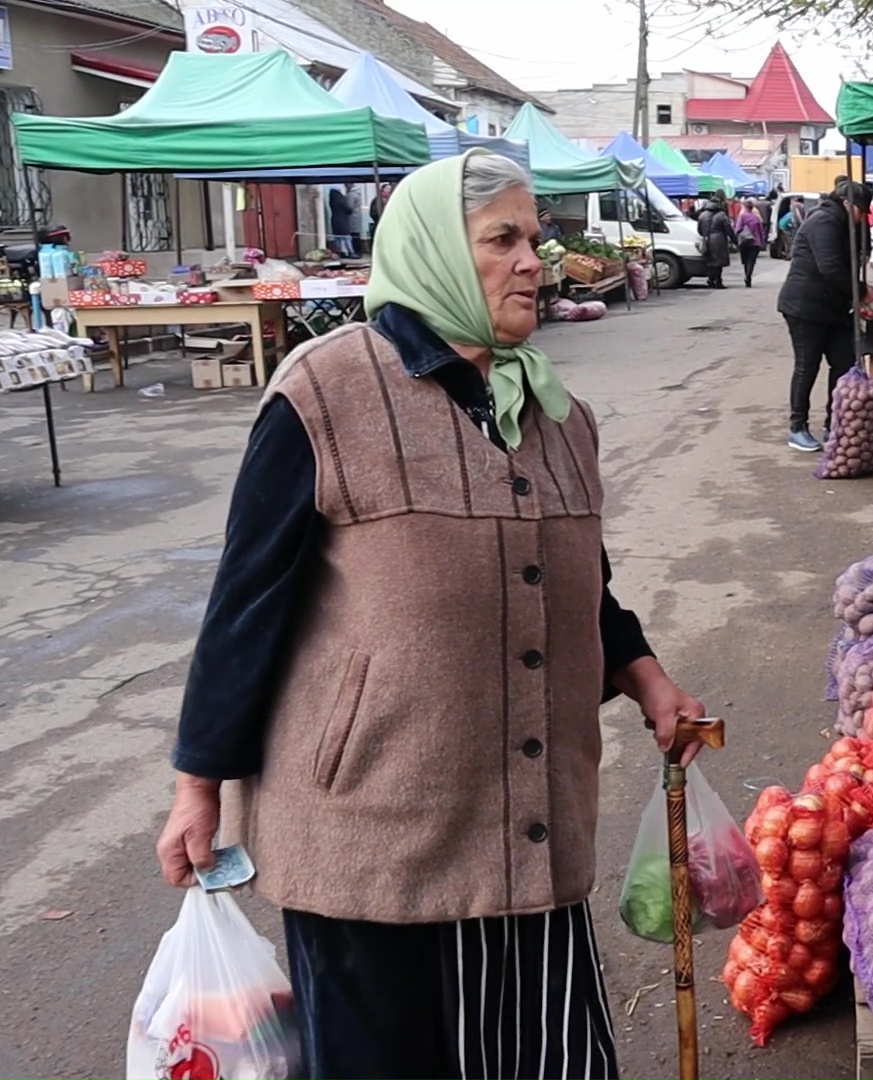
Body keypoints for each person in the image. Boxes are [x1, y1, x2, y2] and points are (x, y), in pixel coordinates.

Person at [154, 150, 707, 1079]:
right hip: (374, 830)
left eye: (536, 237)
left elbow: (581, 579)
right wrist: (197, 783)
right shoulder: (325, 395)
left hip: (528, 819)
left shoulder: (557, 412)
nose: (535, 259)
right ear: (436, 253)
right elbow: (247, 602)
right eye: (504, 240)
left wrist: (645, 675)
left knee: (541, 1056)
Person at [777, 178, 871, 453]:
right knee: (807, 366)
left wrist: (857, 295)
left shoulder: (844, 224)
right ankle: (797, 427)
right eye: (861, 210)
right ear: (847, 203)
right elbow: (830, 267)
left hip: (833, 307)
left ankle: (835, 422)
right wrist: (861, 292)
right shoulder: (824, 221)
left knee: (842, 363)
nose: (863, 217)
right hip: (805, 306)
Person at [697, 194, 735, 288]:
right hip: (719, 240)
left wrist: (705, 235)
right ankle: (718, 281)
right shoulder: (722, 215)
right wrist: (734, 240)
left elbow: (699, 230)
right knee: (719, 262)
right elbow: (728, 229)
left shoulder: (702, 215)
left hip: (707, 239)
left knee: (709, 260)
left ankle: (710, 279)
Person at [735, 199, 767, 287]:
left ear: (745, 207)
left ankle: (747, 275)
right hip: (755, 243)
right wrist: (762, 242)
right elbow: (761, 231)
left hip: (744, 242)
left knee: (745, 260)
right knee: (751, 261)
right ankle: (748, 276)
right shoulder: (756, 217)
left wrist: (736, 240)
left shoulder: (742, 216)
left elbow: (738, 229)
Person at [326, 185, 354, 258]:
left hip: (335, 219)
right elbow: (348, 209)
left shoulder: (331, 199)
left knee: (337, 237)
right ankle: (351, 252)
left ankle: (339, 252)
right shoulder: (341, 199)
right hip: (342, 220)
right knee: (346, 237)